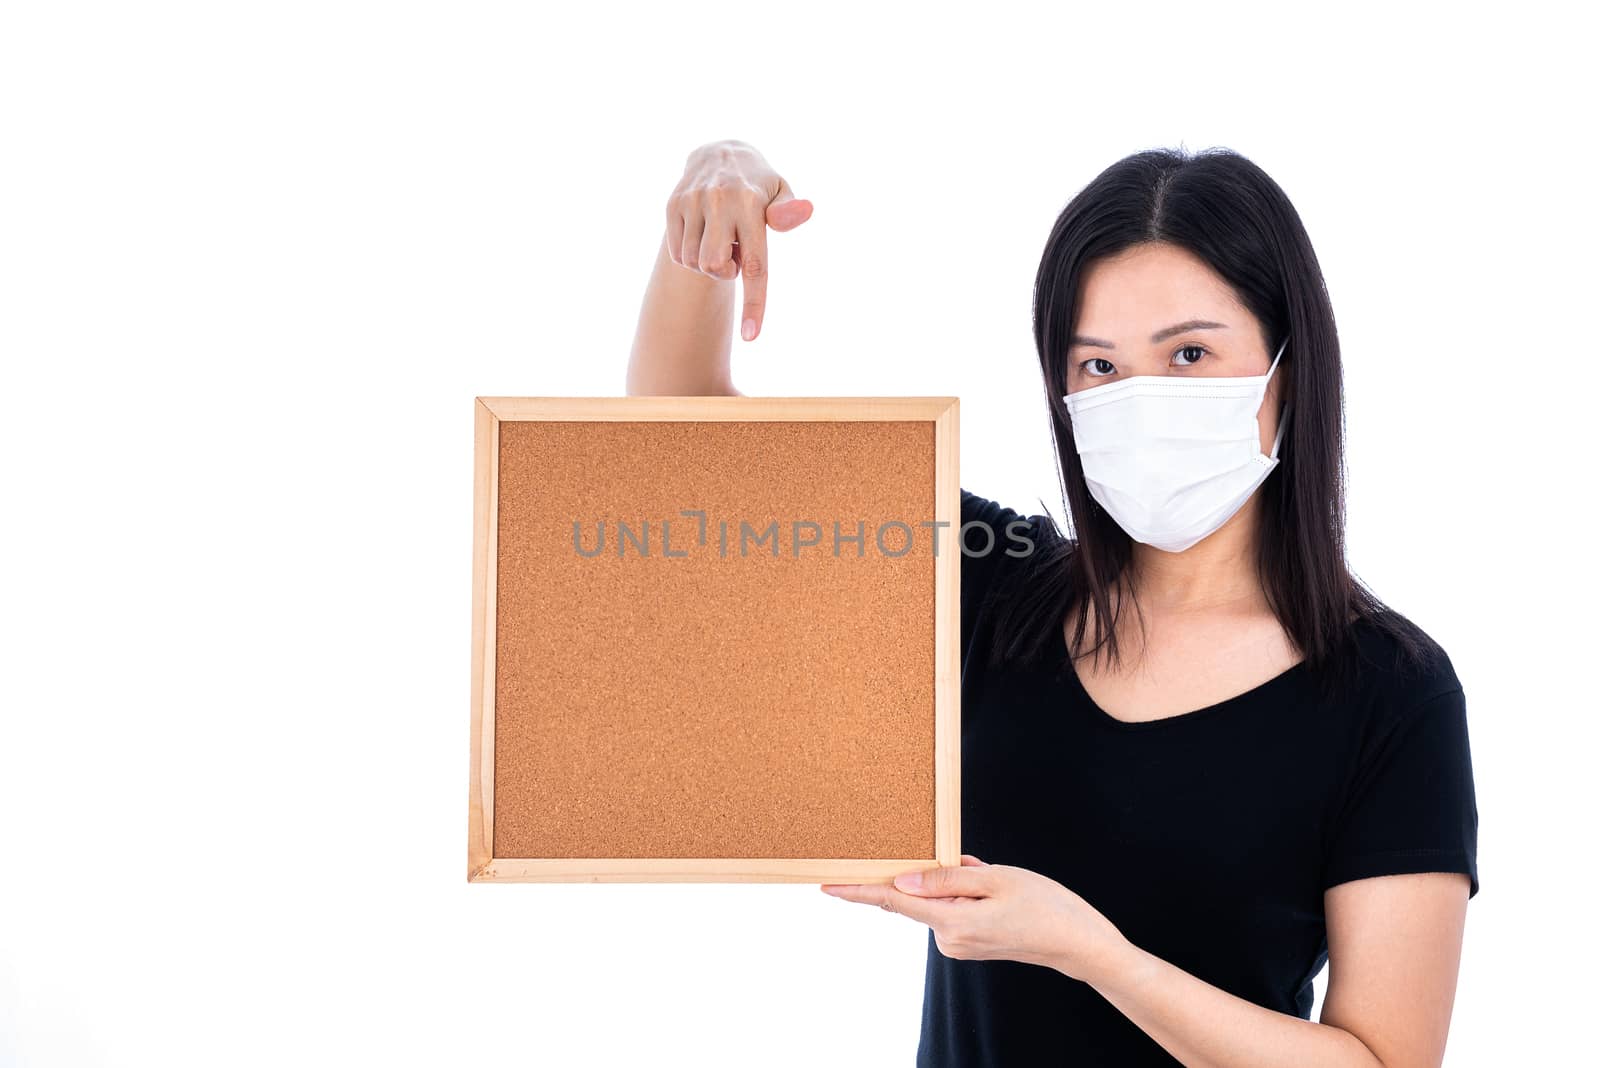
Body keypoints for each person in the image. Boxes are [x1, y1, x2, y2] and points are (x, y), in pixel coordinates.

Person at [626, 139, 1480, 1067]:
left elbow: (1386, 1059)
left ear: (1290, 367)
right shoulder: (995, 582)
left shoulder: (1390, 692)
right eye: (1100, 368)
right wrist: (714, 209)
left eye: (1190, 353)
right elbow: (682, 443)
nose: (1143, 399)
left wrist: (1093, 956)